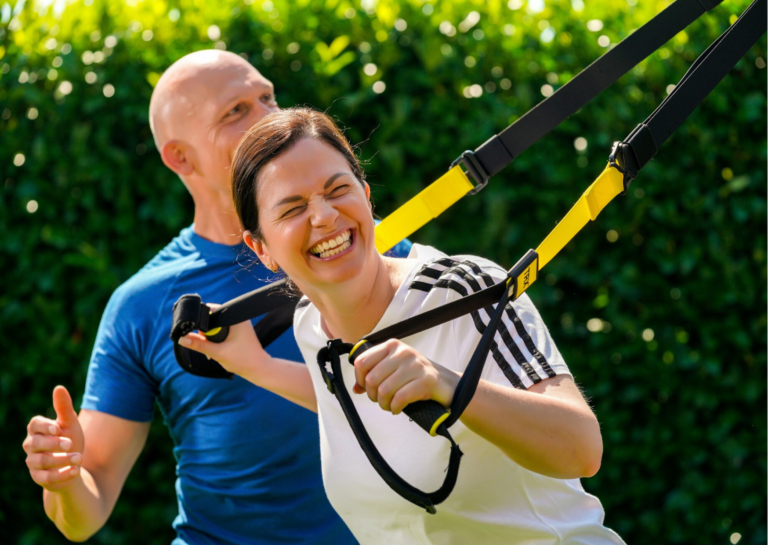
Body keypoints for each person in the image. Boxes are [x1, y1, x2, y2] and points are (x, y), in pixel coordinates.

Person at [179, 107, 626, 544]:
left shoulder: (461, 290)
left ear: (366, 196)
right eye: (292, 208)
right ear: (263, 249)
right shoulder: (311, 326)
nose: (325, 216)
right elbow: (356, 401)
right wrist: (254, 365)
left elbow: (581, 448)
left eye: (337, 190)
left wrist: (446, 385)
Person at [22, 51, 410, 544]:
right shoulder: (142, 304)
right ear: (180, 158)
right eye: (236, 112)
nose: (270, 118)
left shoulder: (363, 243)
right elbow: (86, 509)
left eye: (268, 97)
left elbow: (451, 398)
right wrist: (64, 478)